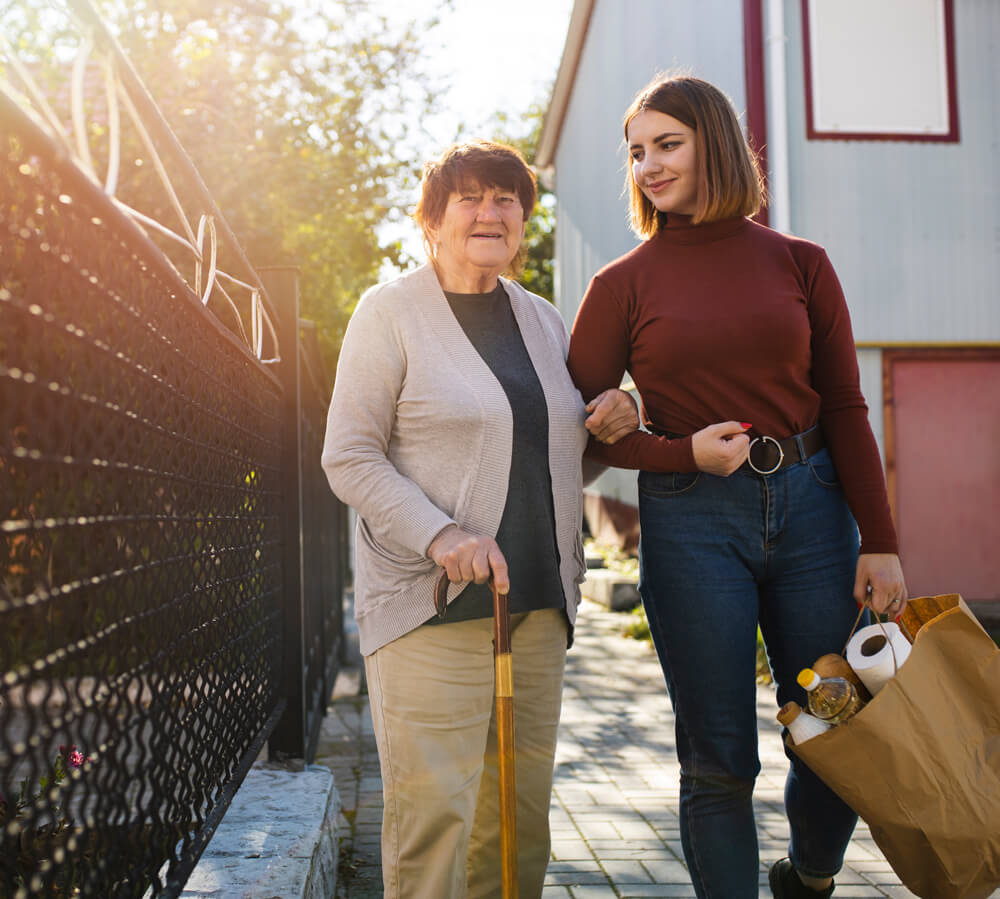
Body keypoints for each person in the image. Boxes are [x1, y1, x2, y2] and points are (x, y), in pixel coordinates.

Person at [566, 75, 907, 899]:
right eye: (637, 152)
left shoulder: (802, 263)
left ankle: (811, 876)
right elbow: (575, 436)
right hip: (692, 530)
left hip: (817, 518)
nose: (647, 165)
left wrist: (884, 540)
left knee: (835, 728)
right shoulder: (621, 284)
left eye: (667, 144)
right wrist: (674, 448)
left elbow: (847, 405)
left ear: (713, 142)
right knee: (717, 756)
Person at [321, 139, 638, 899]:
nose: (491, 212)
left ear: (524, 219)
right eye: (470, 197)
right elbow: (349, 455)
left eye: (507, 199)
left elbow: (557, 454)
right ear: (432, 219)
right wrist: (442, 533)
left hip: (535, 610)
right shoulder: (388, 312)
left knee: (519, 827)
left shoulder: (542, 321)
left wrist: (625, 412)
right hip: (432, 610)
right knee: (437, 826)